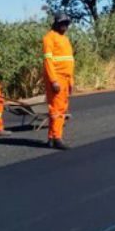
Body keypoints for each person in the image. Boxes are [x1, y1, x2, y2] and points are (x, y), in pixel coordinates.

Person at [43, 13, 75, 150]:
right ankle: (57, 138)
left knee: (61, 108)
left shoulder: (65, 39)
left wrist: (71, 80)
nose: (65, 26)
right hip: (57, 78)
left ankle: (51, 138)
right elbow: (48, 61)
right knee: (58, 109)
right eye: (62, 23)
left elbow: (69, 60)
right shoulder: (49, 38)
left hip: (66, 78)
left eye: (67, 24)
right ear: (56, 23)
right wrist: (53, 80)